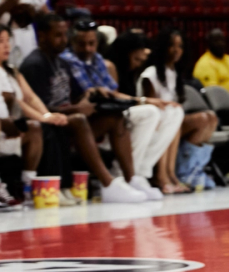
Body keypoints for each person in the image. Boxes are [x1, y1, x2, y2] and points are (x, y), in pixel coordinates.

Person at [19, 14, 147, 202]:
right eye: (58, 35)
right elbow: (41, 109)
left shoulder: (61, 61)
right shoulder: (34, 65)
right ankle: (108, 184)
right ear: (42, 36)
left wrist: (88, 95)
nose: (63, 40)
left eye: (65, 35)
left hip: (66, 119)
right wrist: (78, 109)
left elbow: (69, 98)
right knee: (79, 119)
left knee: (114, 117)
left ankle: (131, 178)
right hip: (51, 125)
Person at [62, 18, 174, 200]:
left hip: (103, 110)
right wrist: (93, 93)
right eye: (82, 44)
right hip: (82, 115)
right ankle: (121, 176)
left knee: (165, 112)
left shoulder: (97, 59)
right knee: (148, 113)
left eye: (91, 43)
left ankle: (134, 177)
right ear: (72, 42)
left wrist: (142, 100)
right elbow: (83, 94)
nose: (88, 48)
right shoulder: (67, 60)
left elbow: (112, 92)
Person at [107, 30, 185, 193]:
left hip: (127, 114)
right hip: (110, 117)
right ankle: (122, 173)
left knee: (174, 112)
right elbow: (112, 95)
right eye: (137, 59)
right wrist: (144, 100)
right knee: (151, 112)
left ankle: (142, 172)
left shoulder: (134, 70)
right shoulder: (111, 66)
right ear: (126, 52)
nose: (139, 63)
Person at [139, 29, 217, 192]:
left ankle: (186, 171)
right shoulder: (150, 74)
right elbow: (150, 106)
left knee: (210, 118)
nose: (176, 50)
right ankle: (163, 175)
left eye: (180, 46)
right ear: (162, 47)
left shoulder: (174, 72)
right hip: (152, 123)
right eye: (172, 45)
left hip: (171, 119)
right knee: (176, 120)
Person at [0, 25, 49, 205]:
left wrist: (47, 116)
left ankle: (28, 186)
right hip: (4, 126)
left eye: (8, 41)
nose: (6, 46)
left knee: (37, 128)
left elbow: (29, 98)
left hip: (8, 126)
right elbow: (17, 103)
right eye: (1, 41)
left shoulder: (11, 71)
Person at [193, 29, 229, 107]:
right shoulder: (204, 64)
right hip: (227, 105)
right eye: (216, 41)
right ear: (209, 43)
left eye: (222, 40)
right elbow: (213, 93)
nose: (221, 43)